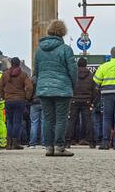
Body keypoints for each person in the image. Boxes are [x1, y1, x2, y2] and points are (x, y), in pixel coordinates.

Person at [34, 19, 78, 157]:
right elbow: (73, 70)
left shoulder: (39, 50)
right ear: (63, 32)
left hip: (44, 88)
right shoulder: (66, 49)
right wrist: (72, 85)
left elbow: (36, 71)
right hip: (62, 89)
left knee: (47, 118)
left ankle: (48, 147)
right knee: (61, 119)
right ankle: (59, 147)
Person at [0, 57, 33, 150]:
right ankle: (15, 143)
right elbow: (29, 87)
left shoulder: (5, 74)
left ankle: (9, 144)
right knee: (17, 121)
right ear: (19, 64)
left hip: (8, 100)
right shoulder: (23, 75)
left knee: (9, 121)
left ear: (11, 64)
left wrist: (3, 96)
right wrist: (27, 97)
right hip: (20, 100)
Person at [93, 46, 115, 150]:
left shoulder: (104, 66)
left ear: (111, 54)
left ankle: (105, 142)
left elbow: (96, 81)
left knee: (107, 118)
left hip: (107, 95)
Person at [66, 57, 96, 147]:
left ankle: (67, 141)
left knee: (71, 121)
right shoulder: (91, 75)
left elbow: (69, 86)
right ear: (86, 64)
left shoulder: (73, 75)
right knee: (88, 121)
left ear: (77, 64)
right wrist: (91, 100)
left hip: (74, 100)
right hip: (86, 101)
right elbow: (94, 90)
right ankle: (91, 142)